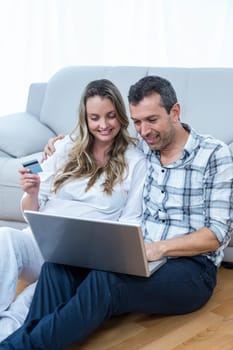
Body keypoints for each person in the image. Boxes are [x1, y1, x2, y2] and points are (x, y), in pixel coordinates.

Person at [1, 75, 232, 350]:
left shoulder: (213, 153)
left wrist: (159, 248)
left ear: (175, 112)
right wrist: (60, 142)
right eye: (137, 122)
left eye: (151, 120)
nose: (144, 131)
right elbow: (100, 138)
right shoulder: (146, 148)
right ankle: (22, 340)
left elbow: (218, 234)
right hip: (141, 256)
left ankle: (14, 347)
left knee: (106, 281)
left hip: (191, 269)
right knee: (56, 268)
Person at [0, 79, 146, 342]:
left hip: (79, 260)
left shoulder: (135, 160)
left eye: (111, 116)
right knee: (5, 237)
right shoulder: (67, 146)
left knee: (30, 304)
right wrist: (32, 193)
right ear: (85, 118)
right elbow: (31, 211)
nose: (104, 125)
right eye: (95, 117)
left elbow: (130, 224)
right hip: (41, 244)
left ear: (121, 116)